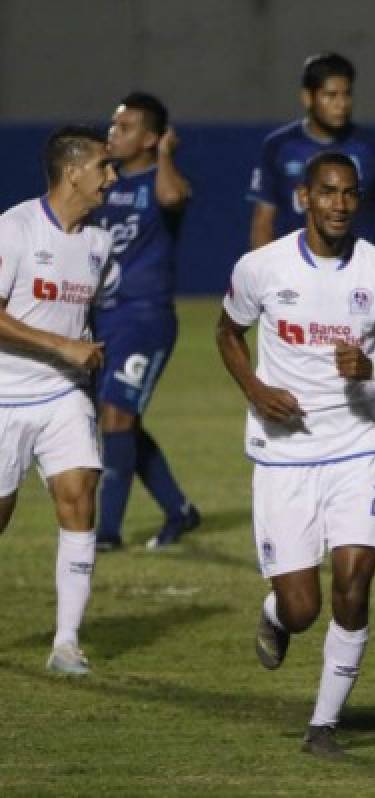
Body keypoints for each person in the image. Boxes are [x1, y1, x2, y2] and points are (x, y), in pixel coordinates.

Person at [217, 152, 375, 757]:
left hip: (358, 448)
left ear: (358, 200)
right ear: (305, 197)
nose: (339, 204)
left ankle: (324, 726)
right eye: (327, 192)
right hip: (283, 454)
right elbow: (227, 332)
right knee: (304, 608)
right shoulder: (261, 267)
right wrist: (255, 390)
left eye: (349, 194)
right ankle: (279, 614)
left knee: (355, 586)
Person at [0, 126, 116, 674]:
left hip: (64, 396)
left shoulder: (99, 243)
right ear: (73, 171)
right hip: (6, 395)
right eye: (103, 167)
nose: (110, 178)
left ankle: (67, 644)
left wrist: (84, 356)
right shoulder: (15, 228)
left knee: (79, 495)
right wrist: (61, 344)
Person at [91, 92, 200, 551]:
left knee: (117, 416)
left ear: (152, 137)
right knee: (120, 420)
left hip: (145, 317)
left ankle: (106, 534)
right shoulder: (103, 183)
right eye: (114, 125)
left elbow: (175, 197)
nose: (114, 133)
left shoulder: (161, 180)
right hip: (102, 318)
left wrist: (166, 155)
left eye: (127, 127)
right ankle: (179, 510)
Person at [247, 52, 375, 264]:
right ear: (308, 97)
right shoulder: (279, 146)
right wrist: (263, 272)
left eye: (347, 94)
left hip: (359, 272)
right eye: (331, 95)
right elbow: (263, 222)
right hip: (296, 271)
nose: (341, 104)